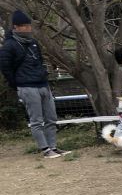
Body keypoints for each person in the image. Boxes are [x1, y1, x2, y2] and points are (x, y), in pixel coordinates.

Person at [0, 10, 71, 159]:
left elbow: (39, 61)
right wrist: (17, 84)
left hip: (42, 84)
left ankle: (53, 146)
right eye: (24, 26)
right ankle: (45, 149)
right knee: (36, 120)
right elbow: (5, 68)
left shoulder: (33, 43)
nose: (28, 28)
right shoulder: (9, 45)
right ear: (15, 27)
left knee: (51, 118)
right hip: (26, 86)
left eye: (28, 25)